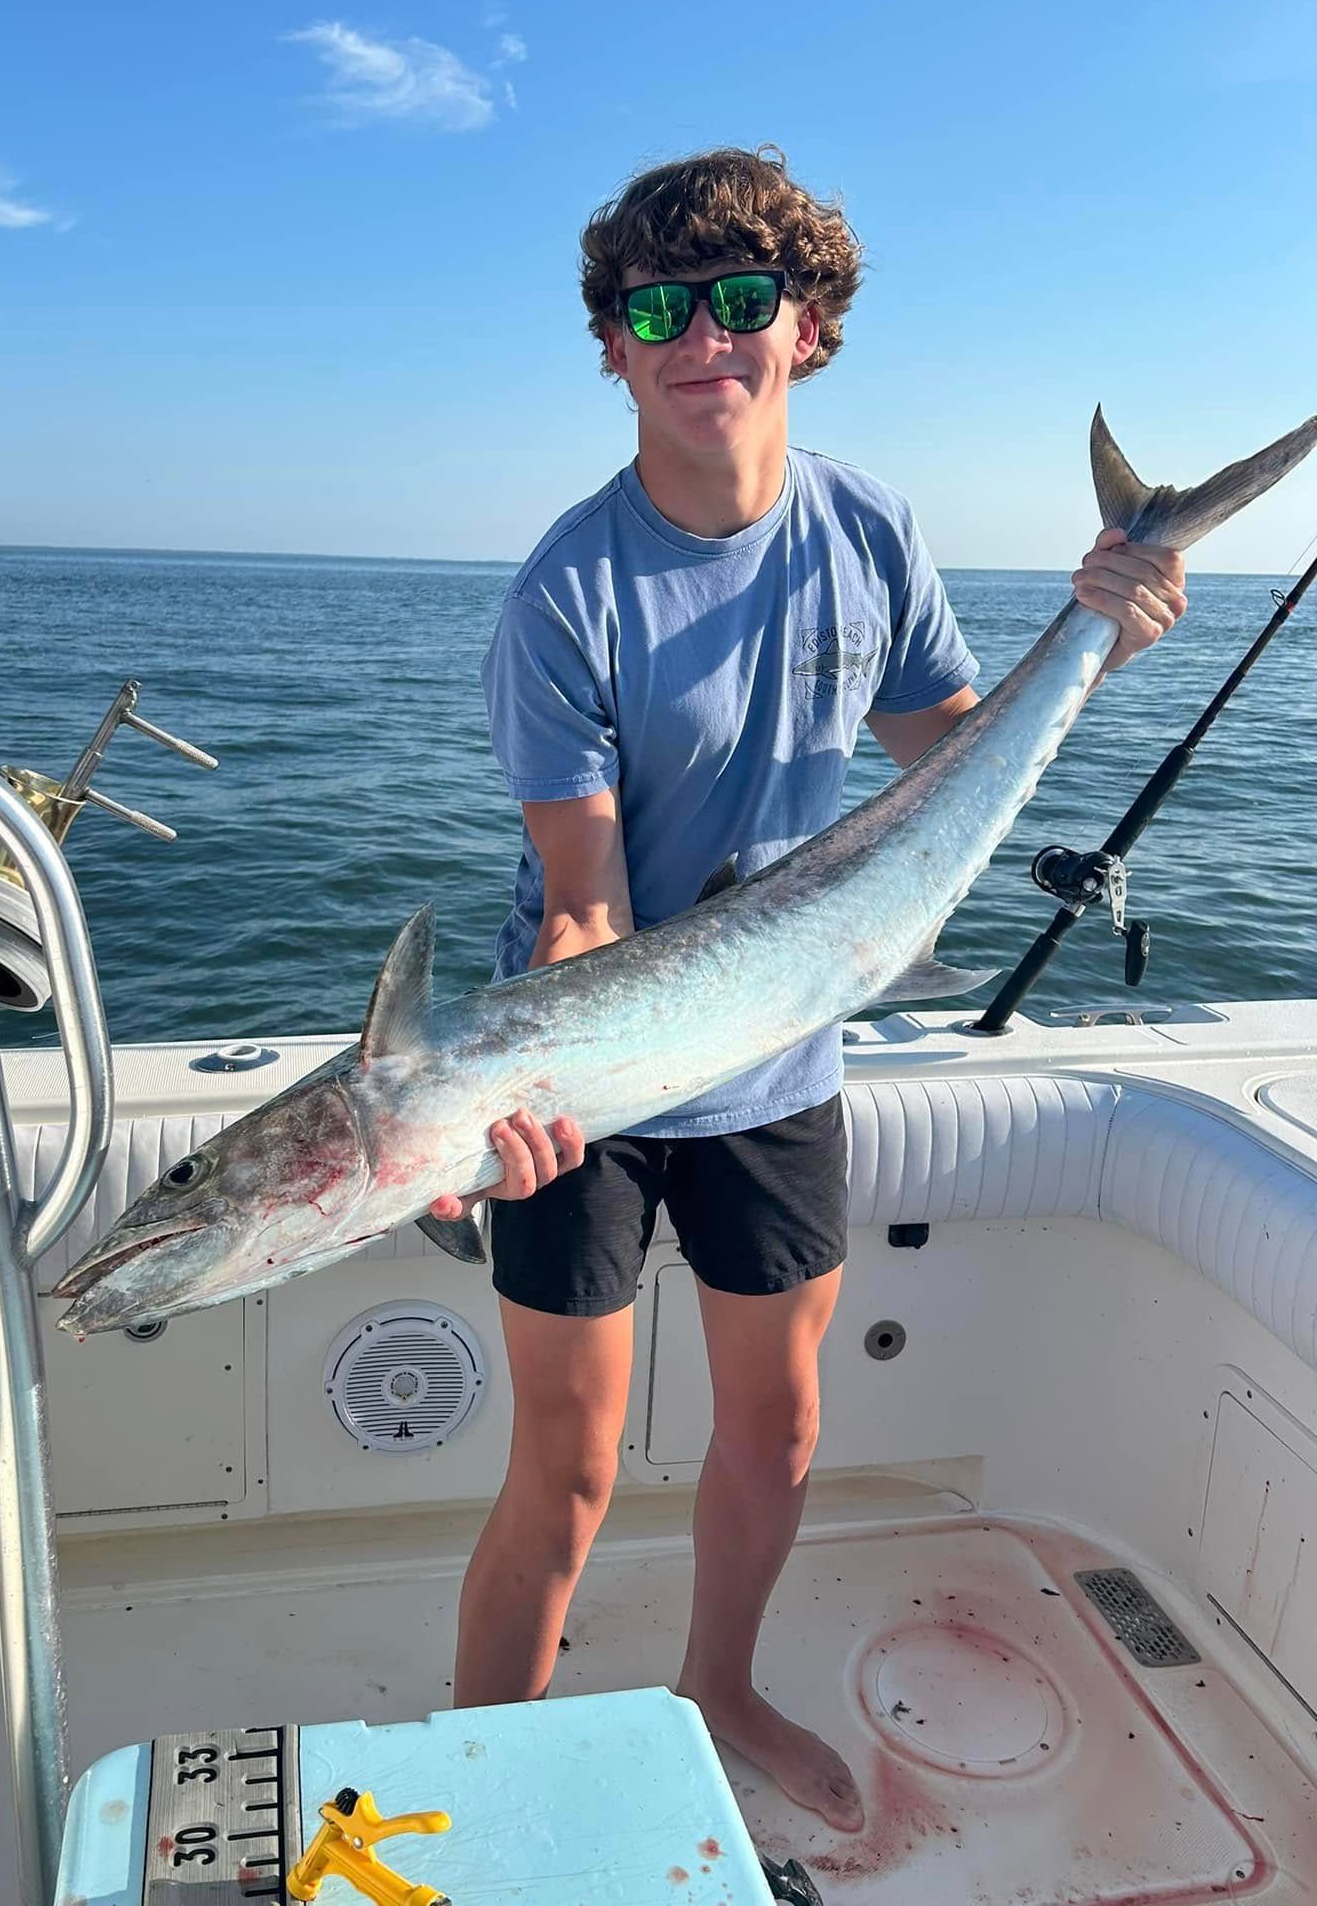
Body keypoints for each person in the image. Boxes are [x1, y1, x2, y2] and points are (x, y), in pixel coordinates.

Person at [425, 145, 1187, 1828]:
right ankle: (486, 1771)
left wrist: (1095, 639)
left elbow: (944, 762)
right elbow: (582, 903)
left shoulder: (874, 529)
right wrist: (522, 1090)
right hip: (593, 1074)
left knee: (773, 1434)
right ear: (612, 348)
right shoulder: (567, 589)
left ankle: (720, 1685)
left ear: (811, 324)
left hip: (781, 1050)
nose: (704, 336)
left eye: (742, 300)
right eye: (658, 309)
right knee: (567, 1461)